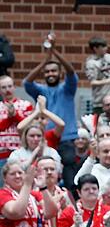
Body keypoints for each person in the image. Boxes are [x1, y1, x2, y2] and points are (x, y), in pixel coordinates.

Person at [23, 37, 79, 188]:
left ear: (60, 74)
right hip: (46, 139)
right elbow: (27, 83)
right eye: (47, 72)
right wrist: (45, 60)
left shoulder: (67, 88)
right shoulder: (40, 90)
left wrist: (55, 52)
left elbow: (71, 72)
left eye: (54, 71)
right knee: (44, 175)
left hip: (66, 139)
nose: (50, 74)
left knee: (69, 179)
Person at [0, 159, 57, 227]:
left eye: (20, 173)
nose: (17, 176)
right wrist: (27, 184)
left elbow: (51, 213)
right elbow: (16, 213)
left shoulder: (34, 195)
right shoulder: (2, 194)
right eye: (12, 174)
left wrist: (43, 187)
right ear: (5, 178)